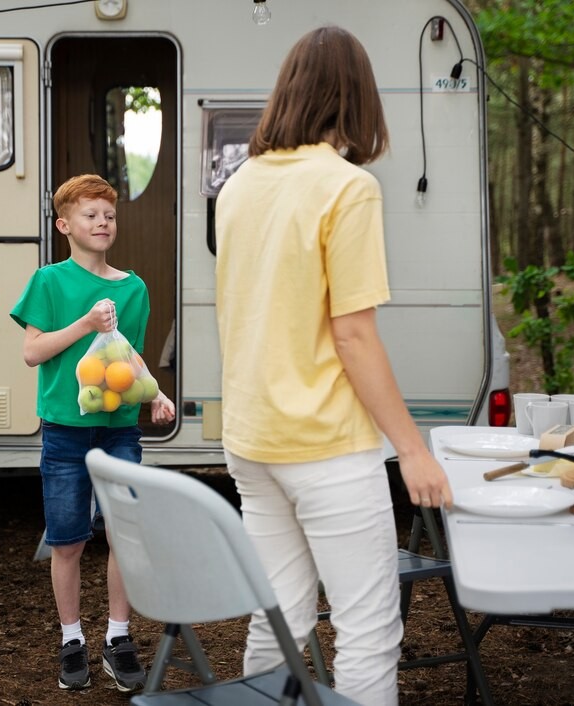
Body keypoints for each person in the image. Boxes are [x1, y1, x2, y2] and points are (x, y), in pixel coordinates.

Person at [213, 26, 453, 706]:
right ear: (358, 99)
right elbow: (352, 336)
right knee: (368, 629)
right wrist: (413, 451)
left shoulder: (239, 184)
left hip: (253, 441)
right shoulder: (348, 188)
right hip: (325, 448)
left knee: (278, 618)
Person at [10, 173, 176, 693]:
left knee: (123, 537)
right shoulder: (49, 281)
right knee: (68, 542)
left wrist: (155, 394)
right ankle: (71, 639)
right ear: (65, 225)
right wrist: (85, 323)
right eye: (90, 215)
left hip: (119, 431)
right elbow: (33, 352)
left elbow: (126, 359)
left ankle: (118, 638)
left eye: (109, 215)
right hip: (64, 432)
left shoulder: (133, 288)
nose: (103, 222)